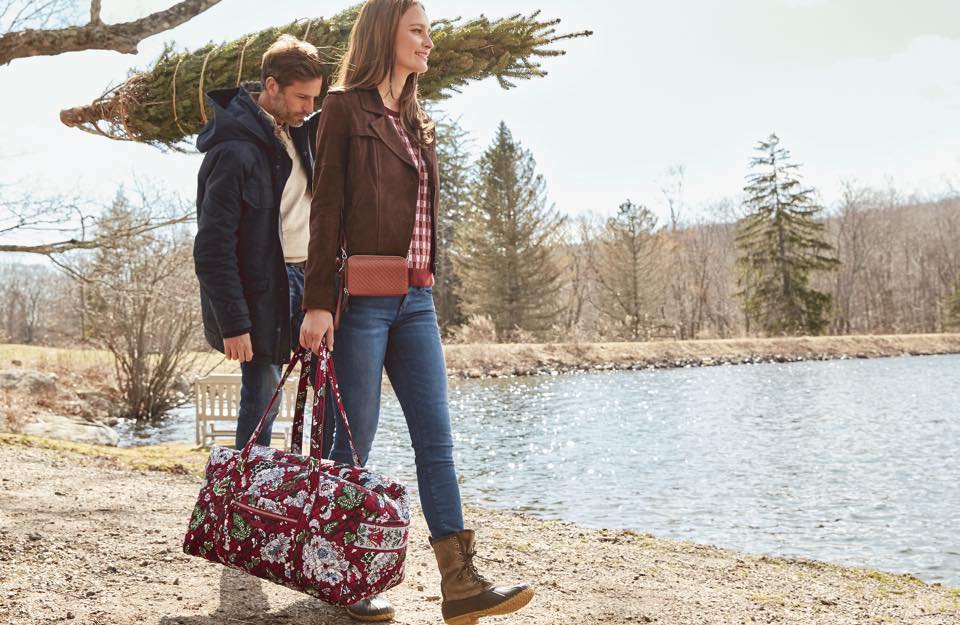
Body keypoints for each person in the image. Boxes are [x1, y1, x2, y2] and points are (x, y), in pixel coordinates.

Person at [299, 2, 534, 623]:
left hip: (419, 302)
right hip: (362, 304)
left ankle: (460, 583)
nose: (429, 41)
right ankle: (341, 578)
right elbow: (326, 212)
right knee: (352, 445)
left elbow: (424, 222)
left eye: (429, 31)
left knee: (437, 441)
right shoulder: (345, 110)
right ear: (386, 35)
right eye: (418, 30)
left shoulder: (418, 119)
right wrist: (318, 303)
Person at [194, 35, 327, 451]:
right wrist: (233, 323)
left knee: (323, 396)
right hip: (264, 289)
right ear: (271, 87)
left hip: (314, 281)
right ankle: (246, 497)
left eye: (314, 98)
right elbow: (213, 247)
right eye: (302, 97)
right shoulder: (232, 152)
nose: (309, 107)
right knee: (264, 401)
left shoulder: (304, 135)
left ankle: (304, 496)